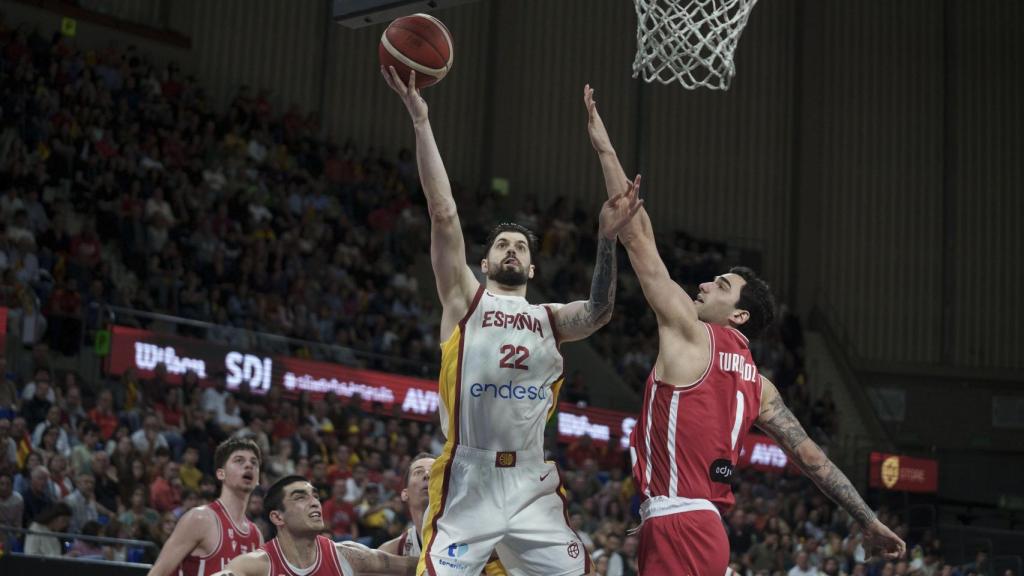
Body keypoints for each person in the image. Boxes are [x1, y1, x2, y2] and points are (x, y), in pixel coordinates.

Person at [582, 84, 906, 575]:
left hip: (680, 524)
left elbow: (638, 234)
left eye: (723, 284)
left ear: (739, 315)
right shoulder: (760, 387)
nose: (707, 282)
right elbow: (813, 459)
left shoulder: (692, 333)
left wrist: (604, 149)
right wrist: (865, 517)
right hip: (701, 528)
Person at [383, 67, 642, 576]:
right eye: (502, 243)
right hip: (469, 474)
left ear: (532, 267)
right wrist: (421, 122)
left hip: (530, 480)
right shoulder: (465, 301)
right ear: (484, 263)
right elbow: (443, 212)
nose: (511, 249)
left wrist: (606, 239)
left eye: (521, 246)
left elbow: (600, 312)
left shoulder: (549, 318)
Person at [212, 475, 416, 576]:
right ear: (277, 517)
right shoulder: (253, 566)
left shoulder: (347, 556)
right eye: (300, 497)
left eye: (315, 496)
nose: (314, 502)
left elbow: (412, 565)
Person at [147, 438, 263, 576]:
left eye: (254, 462)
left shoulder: (256, 536)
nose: (249, 465)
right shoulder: (200, 519)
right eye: (239, 460)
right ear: (221, 473)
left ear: (257, 479)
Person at [378, 453, 506, 575]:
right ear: (405, 494)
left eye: (435, 471)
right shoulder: (395, 549)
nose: (427, 475)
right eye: (418, 472)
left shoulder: (477, 533)